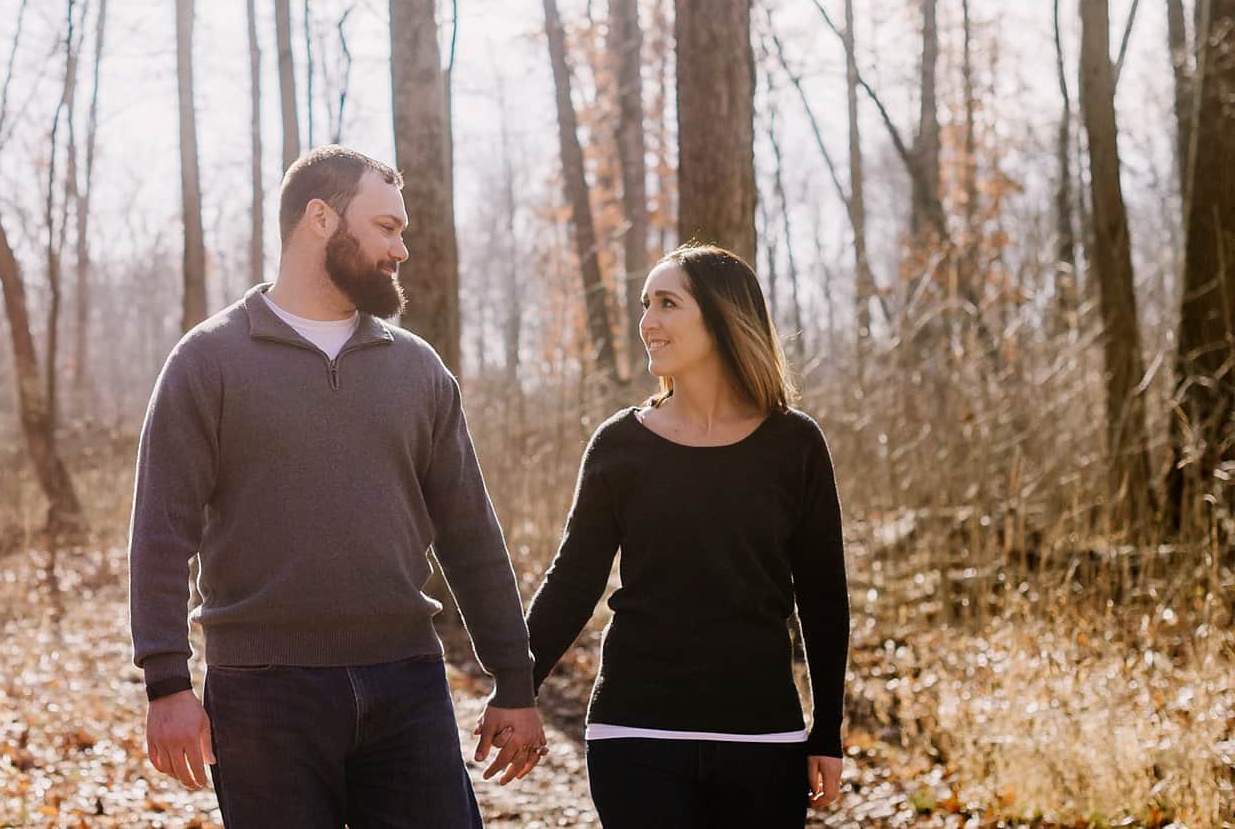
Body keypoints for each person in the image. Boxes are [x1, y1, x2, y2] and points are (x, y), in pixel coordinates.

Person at [129, 146, 544, 827]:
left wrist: (515, 681)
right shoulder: (208, 362)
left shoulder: (416, 369)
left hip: (407, 682)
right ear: (319, 218)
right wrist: (166, 683)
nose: (401, 249)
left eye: (401, 231)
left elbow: (471, 535)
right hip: (263, 693)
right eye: (386, 227)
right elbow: (160, 534)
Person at [525, 243, 849, 826]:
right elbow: (573, 581)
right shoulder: (619, 445)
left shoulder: (794, 445)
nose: (647, 321)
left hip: (762, 736)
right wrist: (515, 688)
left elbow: (823, 599)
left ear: (724, 317)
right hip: (635, 733)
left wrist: (826, 731)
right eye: (645, 304)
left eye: (667, 303)